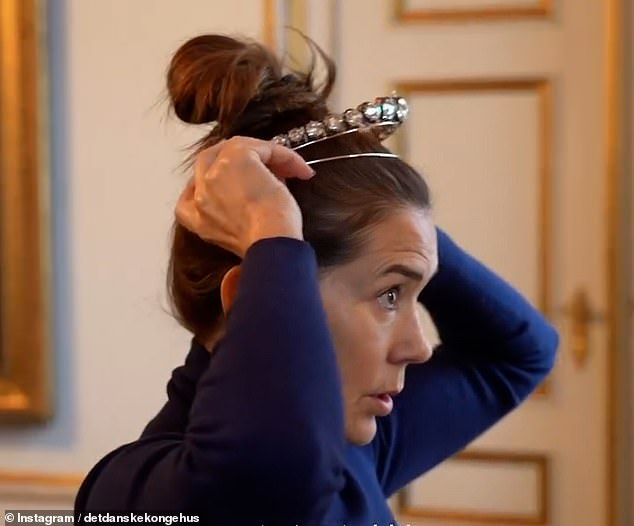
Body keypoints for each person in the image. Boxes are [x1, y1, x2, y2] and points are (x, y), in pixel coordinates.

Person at [74, 34, 559, 526]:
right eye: (390, 295)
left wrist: (383, 211)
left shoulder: (350, 456)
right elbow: (277, 470)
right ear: (253, 297)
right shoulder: (131, 496)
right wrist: (272, 230)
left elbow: (516, 354)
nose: (419, 347)